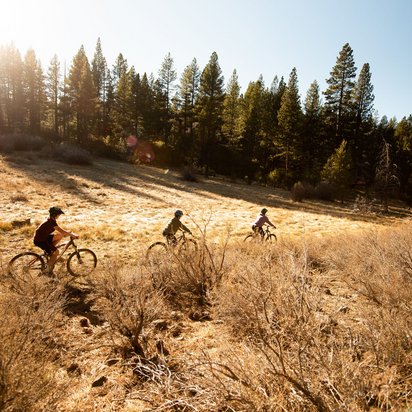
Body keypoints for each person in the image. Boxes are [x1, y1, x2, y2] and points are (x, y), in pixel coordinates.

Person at [33, 207, 78, 274]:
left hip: (42, 237)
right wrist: (72, 235)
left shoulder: (50, 219)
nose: (59, 216)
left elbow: (61, 232)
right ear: (55, 214)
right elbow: (62, 231)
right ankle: (47, 270)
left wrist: (68, 233)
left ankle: (51, 250)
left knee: (59, 235)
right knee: (57, 252)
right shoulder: (52, 222)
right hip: (41, 240)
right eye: (59, 214)